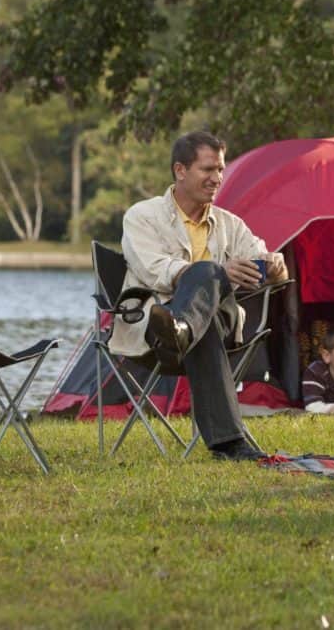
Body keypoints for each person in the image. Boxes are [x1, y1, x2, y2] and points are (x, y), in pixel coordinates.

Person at [109, 131, 287, 461]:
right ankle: (229, 444)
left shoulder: (230, 225)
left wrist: (275, 265)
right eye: (208, 170)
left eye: (220, 170)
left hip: (214, 322)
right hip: (156, 327)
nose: (217, 178)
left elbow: (262, 258)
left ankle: (183, 330)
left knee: (205, 292)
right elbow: (154, 269)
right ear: (180, 170)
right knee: (205, 281)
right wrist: (216, 271)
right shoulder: (142, 216)